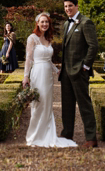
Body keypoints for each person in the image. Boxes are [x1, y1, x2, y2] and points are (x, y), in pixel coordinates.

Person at [22, 12, 77, 147]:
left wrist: (56, 70)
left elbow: (48, 60)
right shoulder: (32, 38)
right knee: (38, 103)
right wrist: (25, 76)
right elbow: (29, 59)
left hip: (48, 75)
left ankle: (47, 134)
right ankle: (34, 136)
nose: (45, 24)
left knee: (47, 104)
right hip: (37, 73)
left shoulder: (48, 38)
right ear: (37, 23)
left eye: (46, 22)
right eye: (42, 22)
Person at [58, 0, 99, 148]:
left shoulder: (86, 22)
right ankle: (67, 134)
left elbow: (93, 46)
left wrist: (85, 66)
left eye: (70, 6)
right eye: (65, 7)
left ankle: (91, 138)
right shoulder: (65, 24)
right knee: (66, 105)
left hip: (79, 71)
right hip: (66, 72)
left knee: (84, 105)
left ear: (76, 6)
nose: (67, 9)